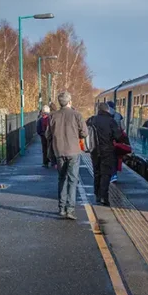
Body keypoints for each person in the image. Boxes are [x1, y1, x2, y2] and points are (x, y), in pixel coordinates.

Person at [47, 91, 86, 220]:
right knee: (72, 180)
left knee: (61, 178)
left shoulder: (53, 116)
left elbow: (48, 135)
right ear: (70, 102)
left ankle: (61, 208)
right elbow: (84, 133)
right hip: (73, 151)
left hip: (59, 151)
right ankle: (70, 209)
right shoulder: (77, 115)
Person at [88, 102, 126, 205]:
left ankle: (97, 195)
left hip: (94, 151)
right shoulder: (111, 121)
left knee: (96, 172)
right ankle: (104, 197)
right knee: (106, 174)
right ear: (107, 110)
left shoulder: (91, 120)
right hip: (107, 151)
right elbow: (118, 136)